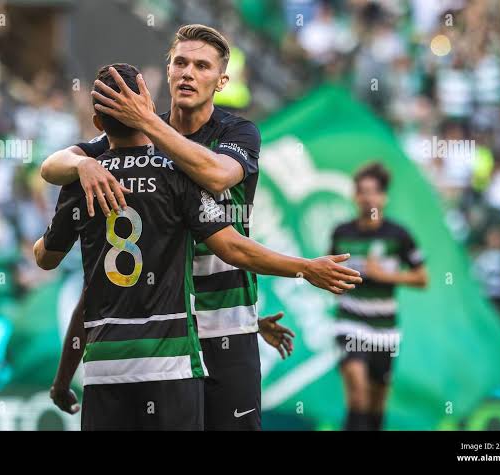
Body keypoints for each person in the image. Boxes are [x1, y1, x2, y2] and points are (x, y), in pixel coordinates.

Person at [40, 24, 359, 430]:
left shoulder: (236, 133)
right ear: (168, 71)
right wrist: (84, 163)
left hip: (226, 319)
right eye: (181, 62)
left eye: (203, 66)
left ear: (221, 80)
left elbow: (217, 176)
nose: (189, 72)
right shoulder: (136, 135)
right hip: (168, 329)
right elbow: (52, 166)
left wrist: (152, 126)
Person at [329, 162, 428, 431]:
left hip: (384, 329)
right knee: (357, 392)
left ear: (384, 197)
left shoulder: (399, 235)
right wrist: (335, 282)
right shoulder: (342, 233)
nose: (367, 197)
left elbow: (422, 278)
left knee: (376, 403)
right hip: (349, 321)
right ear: (354, 196)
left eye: (373, 191)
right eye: (361, 191)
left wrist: (386, 276)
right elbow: (328, 274)